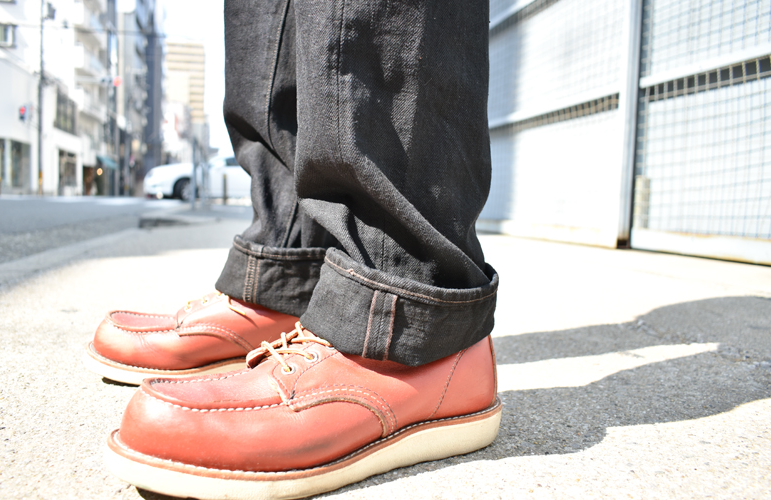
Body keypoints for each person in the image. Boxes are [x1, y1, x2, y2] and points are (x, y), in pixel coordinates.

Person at [87, 0, 501, 498]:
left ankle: (408, 315)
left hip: (409, 329)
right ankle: (286, 274)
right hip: (293, 259)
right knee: (269, 20)